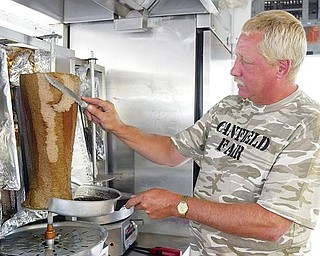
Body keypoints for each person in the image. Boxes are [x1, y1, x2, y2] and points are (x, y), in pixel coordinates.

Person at [83, 10, 320, 255]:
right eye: (236, 58)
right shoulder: (230, 107)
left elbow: (272, 223)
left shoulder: (309, 125)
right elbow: (171, 152)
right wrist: (117, 127)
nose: (234, 70)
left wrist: (178, 206)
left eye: (246, 62)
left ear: (281, 68)